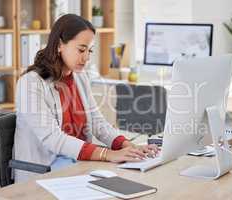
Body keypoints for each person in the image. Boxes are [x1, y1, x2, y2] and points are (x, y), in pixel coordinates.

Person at [14, 14, 159, 181]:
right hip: (47, 168)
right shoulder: (30, 83)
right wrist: (108, 154)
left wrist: (128, 145)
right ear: (60, 45)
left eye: (89, 50)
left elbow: (97, 122)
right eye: (81, 49)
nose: (86, 58)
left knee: (130, 176)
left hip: (78, 162)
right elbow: (53, 138)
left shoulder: (79, 77)